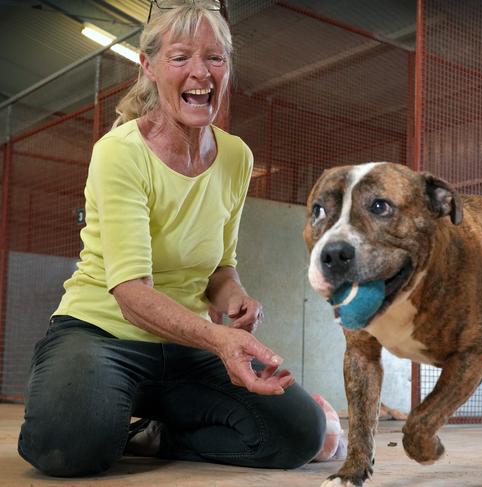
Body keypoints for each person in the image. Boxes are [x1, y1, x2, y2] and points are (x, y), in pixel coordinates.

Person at [17, 2, 326, 477]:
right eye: (180, 57)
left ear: (227, 69)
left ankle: (154, 435)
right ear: (149, 67)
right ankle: (98, 407)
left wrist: (237, 298)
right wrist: (219, 338)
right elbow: (131, 294)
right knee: (69, 447)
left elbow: (220, 266)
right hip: (102, 334)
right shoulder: (119, 154)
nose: (200, 73)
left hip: (187, 347)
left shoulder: (236, 158)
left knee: (298, 434)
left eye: (215, 58)